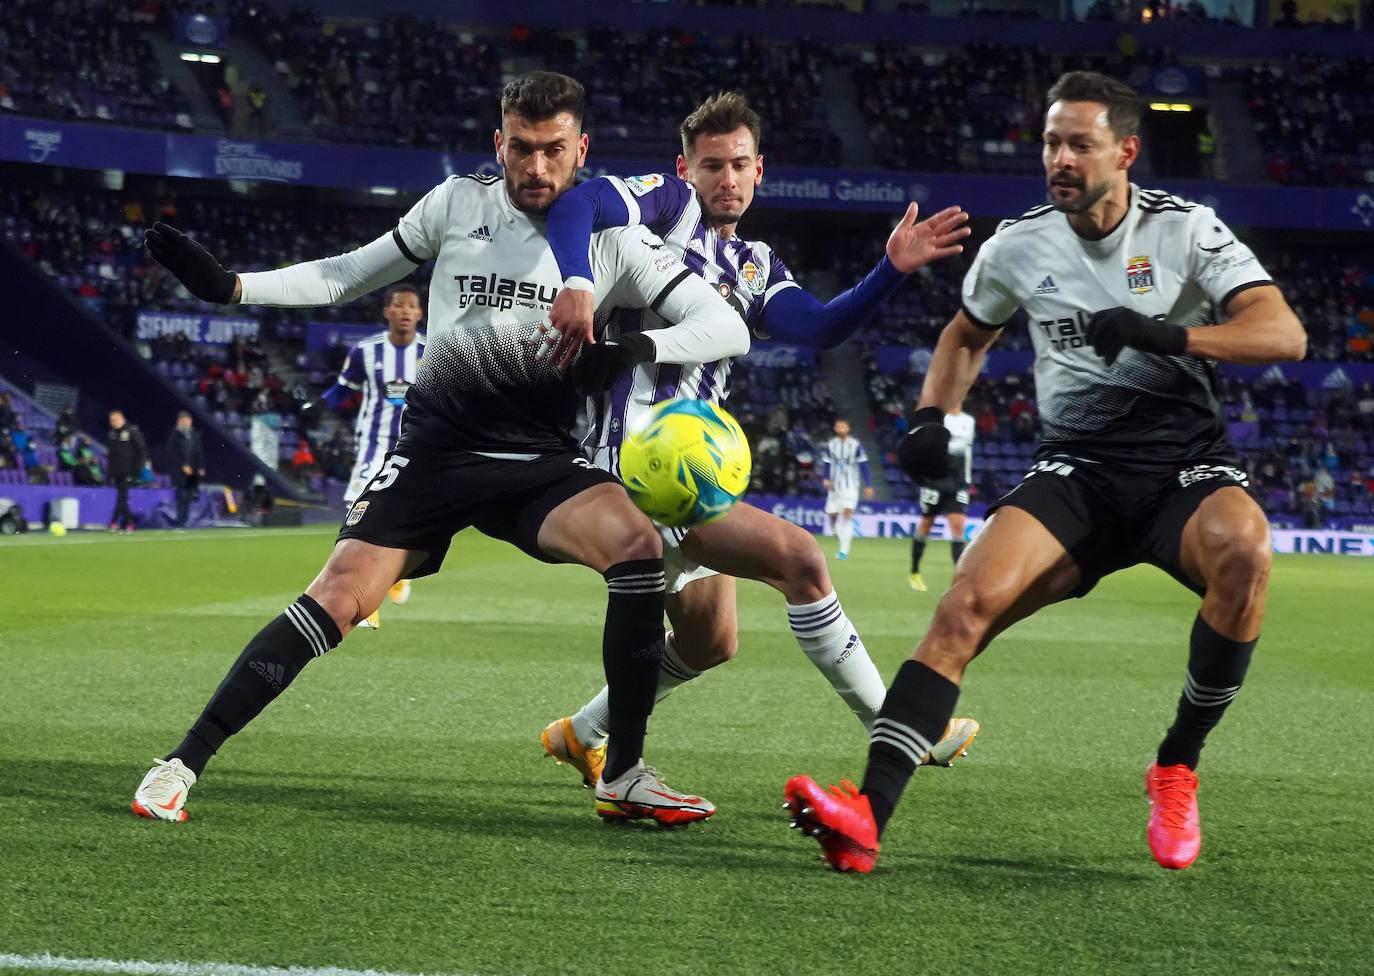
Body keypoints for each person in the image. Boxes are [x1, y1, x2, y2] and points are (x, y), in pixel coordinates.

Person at [132, 71, 748, 827]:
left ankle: (621, 773)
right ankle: (182, 760)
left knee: (635, 548)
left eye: (555, 150)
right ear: (500, 142)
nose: (537, 168)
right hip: (437, 450)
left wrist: (632, 350)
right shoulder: (459, 202)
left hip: (541, 461)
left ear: (581, 149)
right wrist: (231, 287)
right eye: (521, 148)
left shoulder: (617, 241)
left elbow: (727, 325)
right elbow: (344, 276)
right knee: (337, 598)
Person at [784, 70, 1306, 874]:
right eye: (1051, 142)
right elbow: (965, 336)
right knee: (965, 603)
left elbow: (1282, 334)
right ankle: (865, 817)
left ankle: (1176, 765)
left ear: (1125, 151)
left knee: (1248, 550)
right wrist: (932, 418)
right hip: (1077, 474)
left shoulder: (1185, 229)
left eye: (1079, 144)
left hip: (1184, 472)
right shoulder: (1019, 244)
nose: (1059, 158)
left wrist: (1169, 337)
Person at [534, 91, 978, 792]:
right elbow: (579, 206)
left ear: (760, 169)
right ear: (684, 167)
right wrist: (579, 282)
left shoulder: (754, 265)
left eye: (739, 164)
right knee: (802, 558)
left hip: (688, 468)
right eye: (711, 164)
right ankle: (903, 727)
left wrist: (890, 269)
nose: (726, 179)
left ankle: (581, 733)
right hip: (635, 460)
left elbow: (819, 328)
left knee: (713, 642)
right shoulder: (665, 210)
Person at [314, 284, 428, 619]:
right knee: (356, 510)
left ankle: (393, 578)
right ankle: (357, 590)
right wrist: (316, 405)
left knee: (411, 515)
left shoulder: (431, 351)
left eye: (412, 306)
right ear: (387, 311)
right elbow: (342, 390)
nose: (406, 311)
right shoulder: (365, 351)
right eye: (399, 305)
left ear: (420, 314)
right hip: (373, 445)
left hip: (415, 445)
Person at [909, 402, 975, 591]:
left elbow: (968, 451)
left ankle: (959, 580)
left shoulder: (969, 421)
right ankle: (914, 572)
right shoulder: (936, 419)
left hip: (957, 481)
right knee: (926, 525)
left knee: (958, 527)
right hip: (935, 479)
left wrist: (967, 481)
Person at [822, 419, 873, 561]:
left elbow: (864, 465)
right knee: (832, 516)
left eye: (844, 426)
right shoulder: (831, 445)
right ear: (835, 429)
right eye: (839, 426)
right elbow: (826, 463)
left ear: (848, 428)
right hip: (834, 487)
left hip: (850, 486)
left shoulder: (855, 445)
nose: (841, 428)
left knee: (846, 516)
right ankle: (836, 531)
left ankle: (844, 550)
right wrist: (825, 478)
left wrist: (869, 485)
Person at [106, 409, 148, 533]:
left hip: (129, 470)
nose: (114, 422)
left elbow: (141, 450)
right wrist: (110, 472)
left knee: (122, 497)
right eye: (112, 420)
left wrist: (138, 468)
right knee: (122, 497)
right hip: (117, 471)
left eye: (116, 419)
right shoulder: (112, 434)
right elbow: (111, 455)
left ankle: (115, 522)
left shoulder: (132, 431)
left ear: (122, 419)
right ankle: (125, 523)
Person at [166, 410, 206, 528]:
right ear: (179, 421)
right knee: (181, 495)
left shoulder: (194, 435)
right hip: (179, 471)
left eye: (187, 420)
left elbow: (199, 452)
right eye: (183, 420)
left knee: (189, 496)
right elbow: (171, 453)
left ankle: (185, 520)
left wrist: (201, 467)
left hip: (193, 471)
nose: (186, 422)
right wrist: (182, 465)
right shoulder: (174, 435)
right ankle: (180, 522)